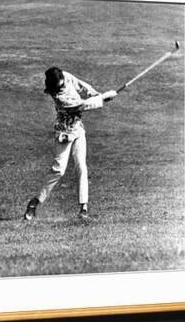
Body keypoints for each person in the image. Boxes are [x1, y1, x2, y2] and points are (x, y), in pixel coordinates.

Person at [24, 67, 117, 222]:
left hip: (78, 129)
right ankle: (35, 202)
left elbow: (81, 86)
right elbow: (81, 106)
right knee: (58, 170)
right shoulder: (60, 99)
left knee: (81, 166)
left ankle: (83, 208)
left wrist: (96, 94)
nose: (63, 85)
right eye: (59, 86)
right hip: (64, 133)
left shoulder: (65, 76)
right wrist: (103, 99)